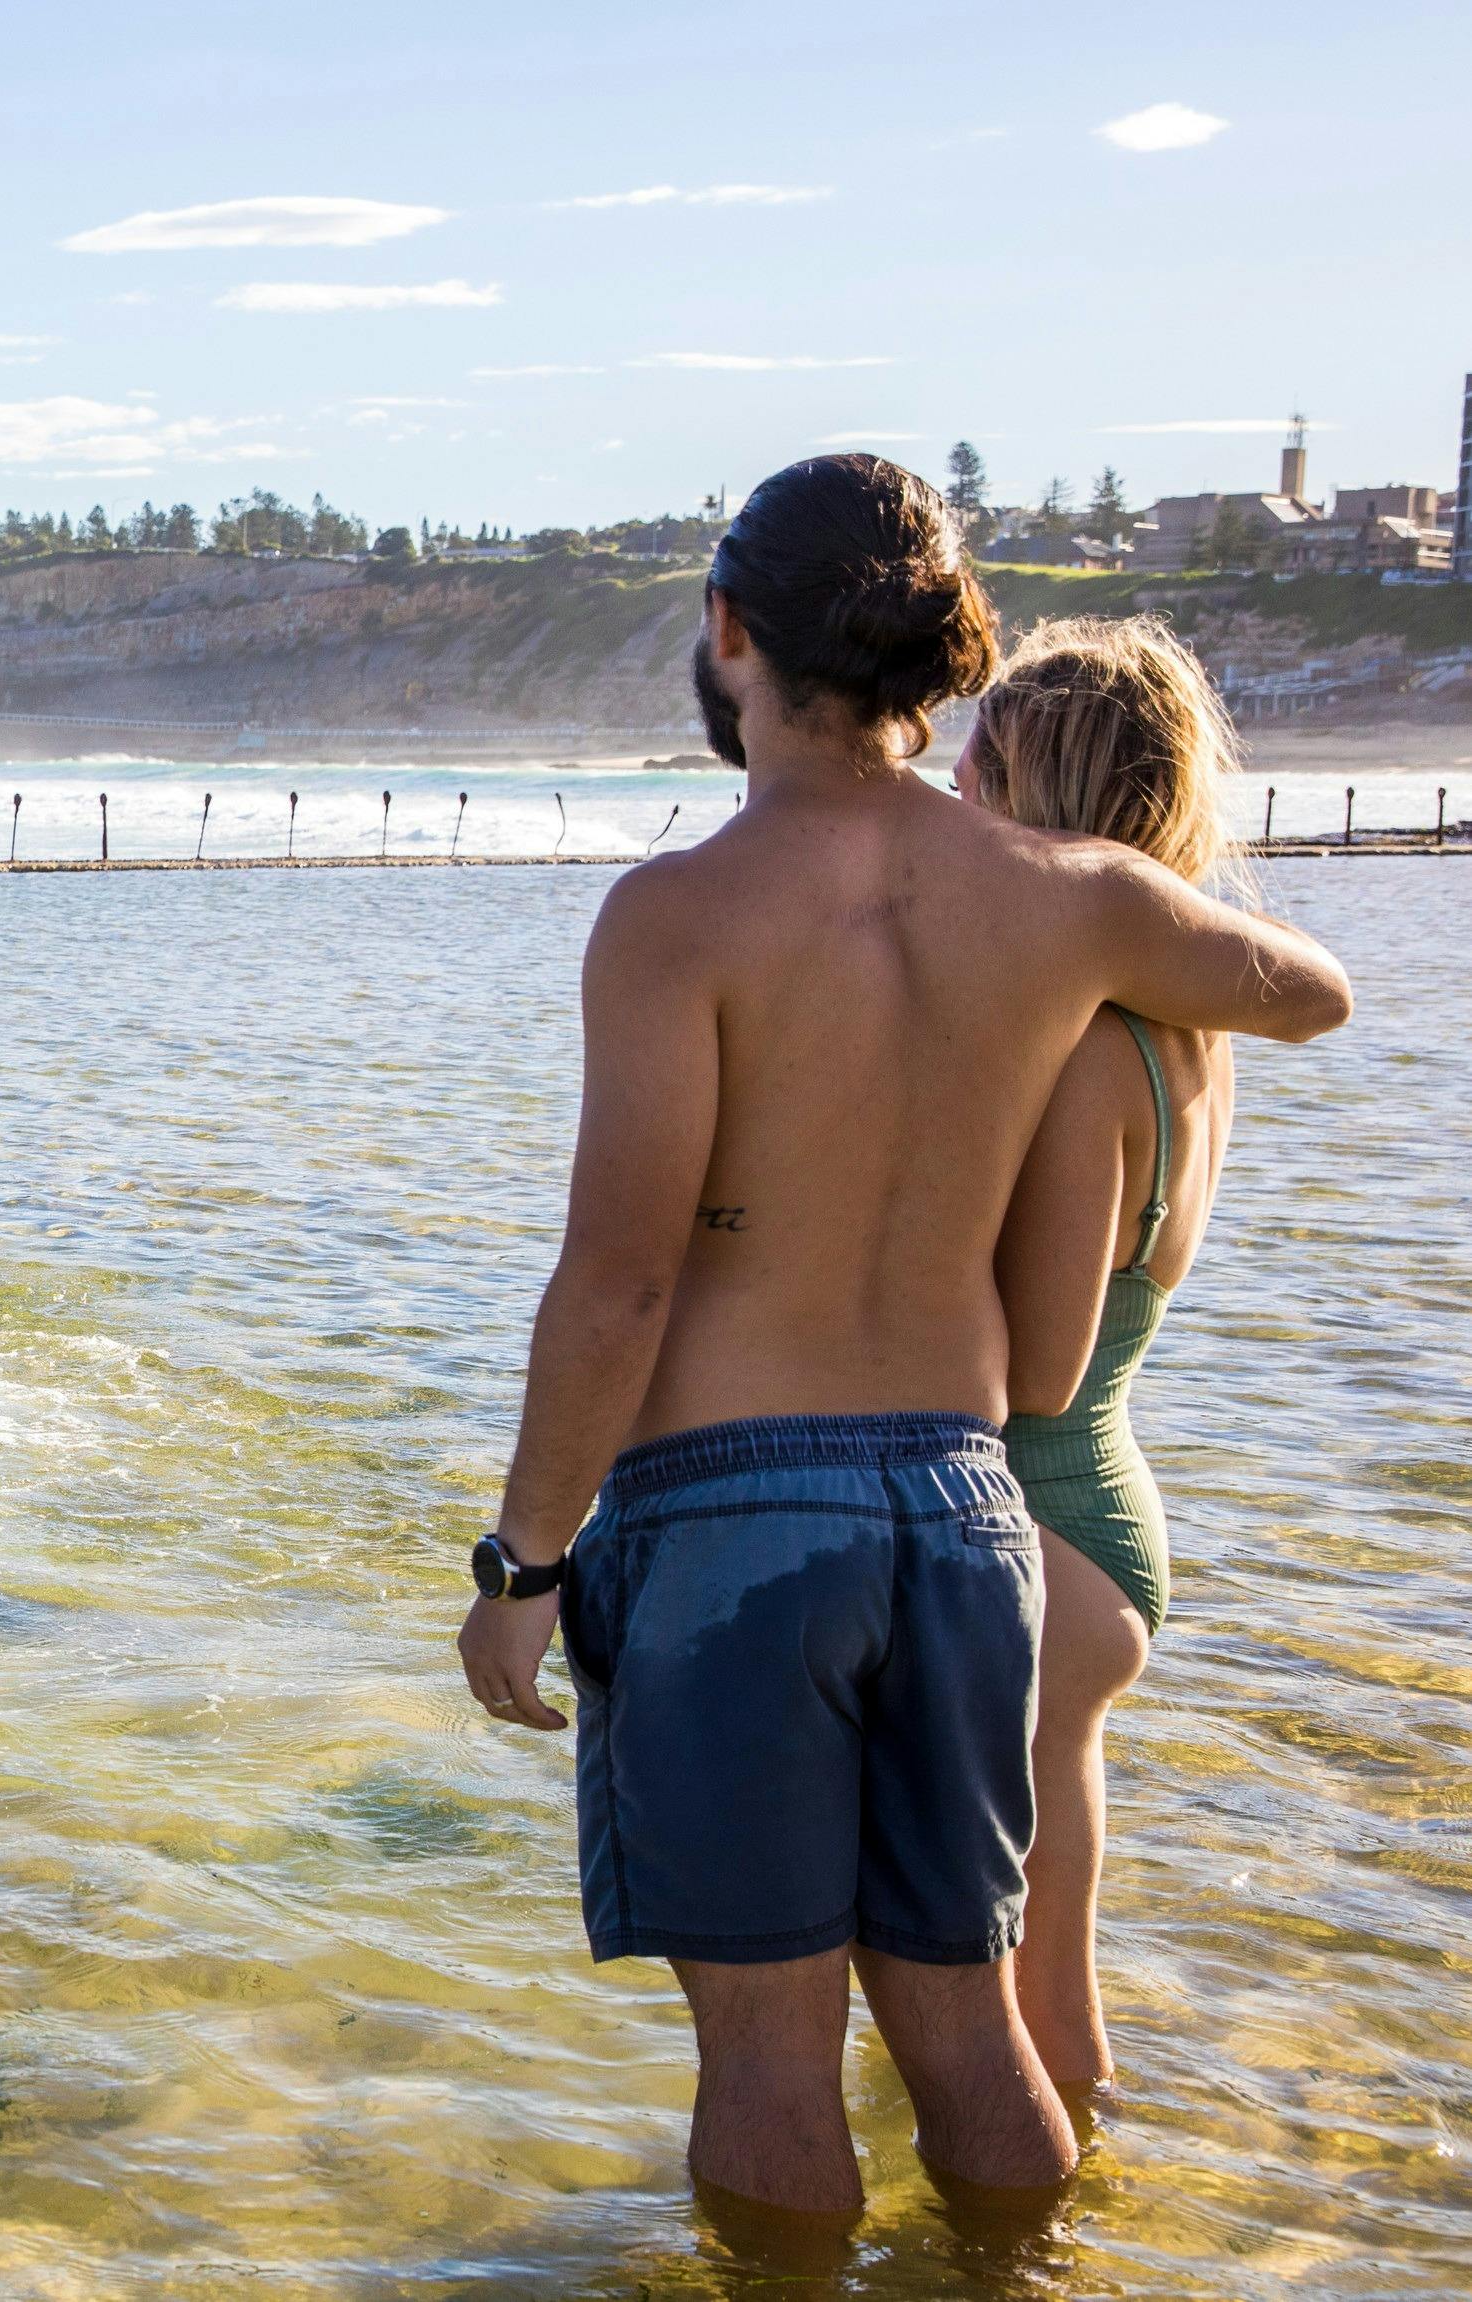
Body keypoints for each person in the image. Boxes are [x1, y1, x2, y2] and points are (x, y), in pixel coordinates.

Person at [454, 455, 1350, 2221]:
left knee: (770, 2067)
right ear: (939, 648)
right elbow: (1308, 989)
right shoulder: (1067, 891)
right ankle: (1032, 2273)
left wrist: (521, 1559)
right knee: (965, 2038)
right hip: (961, 1516)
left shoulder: (673, 918)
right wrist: (1117, 931)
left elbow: (616, 1286)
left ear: (728, 632)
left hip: (729, 1529)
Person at [960, 618, 1251, 2096]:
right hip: (1102, 1523)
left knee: (1029, 2013)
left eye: (981, 768)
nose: (953, 793)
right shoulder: (1183, 1031)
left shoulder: (1083, 1050)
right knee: (1041, 1980)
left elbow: (1042, 1372)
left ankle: (1036, 2250)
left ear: (1045, 797)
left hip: (1044, 1528)